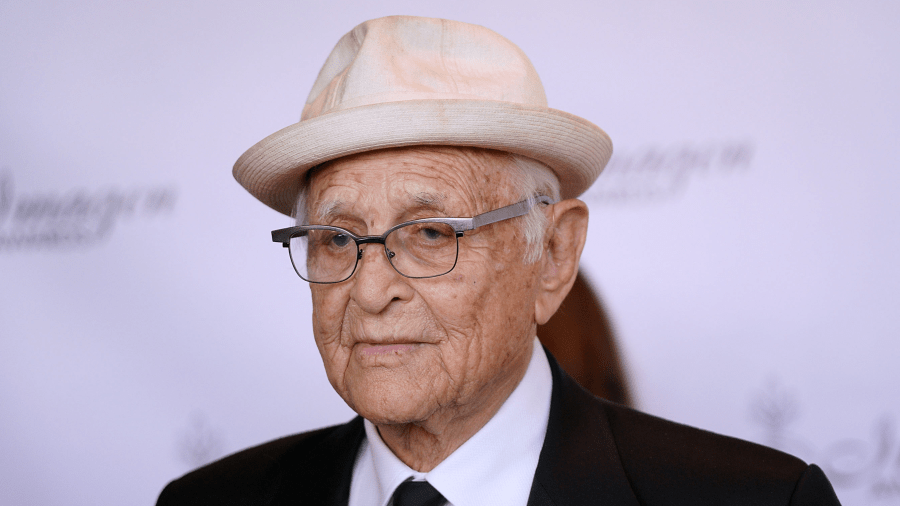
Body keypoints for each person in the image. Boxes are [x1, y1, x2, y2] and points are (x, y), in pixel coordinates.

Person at [157, 16, 841, 506]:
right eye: (338, 238)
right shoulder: (209, 500)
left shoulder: (757, 498)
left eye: (430, 233)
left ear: (552, 256)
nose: (369, 290)